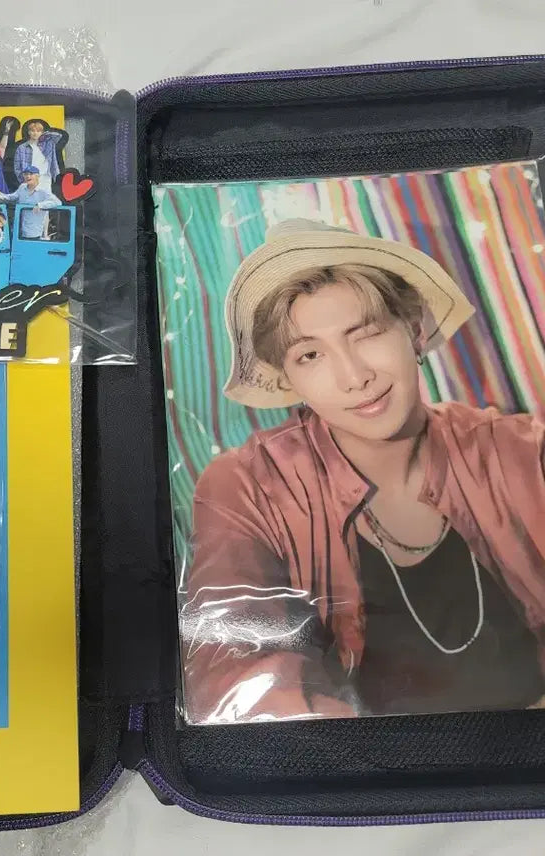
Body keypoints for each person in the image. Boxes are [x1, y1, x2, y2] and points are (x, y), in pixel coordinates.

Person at [183, 218, 545, 725]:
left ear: (414, 330)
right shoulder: (248, 487)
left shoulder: (518, 451)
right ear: (290, 378)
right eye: (310, 354)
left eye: (367, 334)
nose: (355, 377)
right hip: (365, 770)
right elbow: (230, 674)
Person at [0, 167, 60, 239]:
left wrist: (40, 205)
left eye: (31, 174)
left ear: (37, 176)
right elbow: (13, 197)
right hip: (19, 231)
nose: (28, 176)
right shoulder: (22, 187)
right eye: (25, 174)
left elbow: (57, 202)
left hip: (35, 232)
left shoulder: (43, 190)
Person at [13, 120, 63, 191]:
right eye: (33, 131)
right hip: (30, 179)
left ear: (42, 133)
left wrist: (45, 135)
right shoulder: (22, 148)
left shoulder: (48, 145)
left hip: (45, 178)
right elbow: (17, 167)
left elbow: (58, 136)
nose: (35, 133)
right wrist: (23, 180)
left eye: (38, 131)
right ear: (29, 132)